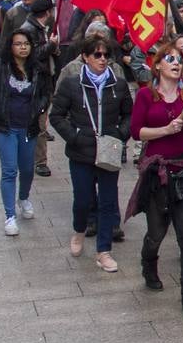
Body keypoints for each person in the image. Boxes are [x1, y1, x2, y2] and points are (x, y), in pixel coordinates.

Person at [128, 43, 183, 318]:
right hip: (157, 172)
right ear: (157, 65)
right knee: (157, 233)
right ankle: (149, 263)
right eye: (169, 58)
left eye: (179, 59)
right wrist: (165, 130)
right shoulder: (147, 96)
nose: (176, 62)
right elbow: (137, 132)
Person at [50, 33, 134, 272]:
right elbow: (56, 115)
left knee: (108, 202)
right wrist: (74, 135)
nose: (103, 59)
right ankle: (78, 230)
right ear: (85, 57)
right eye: (97, 54)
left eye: (106, 55)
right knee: (83, 200)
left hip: (109, 150)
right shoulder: (72, 83)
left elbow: (129, 113)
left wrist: (120, 133)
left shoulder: (117, 84)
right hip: (81, 152)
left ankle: (103, 250)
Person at [0, 28, 51, 236]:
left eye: (26, 44)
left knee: (27, 169)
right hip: (5, 127)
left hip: (29, 127)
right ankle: (9, 216)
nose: (23, 47)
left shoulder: (38, 69)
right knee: (9, 170)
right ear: (11, 46)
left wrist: (39, 109)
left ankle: (23, 197)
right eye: (18, 44)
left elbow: (46, 93)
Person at [18, 0, 59, 177]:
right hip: (35, 82)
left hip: (44, 80)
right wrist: (51, 45)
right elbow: (33, 56)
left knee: (40, 122)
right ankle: (39, 161)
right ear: (47, 12)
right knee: (39, 123)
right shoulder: (29, 30)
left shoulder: (38, 28)